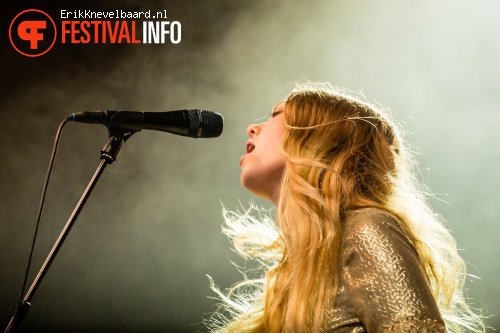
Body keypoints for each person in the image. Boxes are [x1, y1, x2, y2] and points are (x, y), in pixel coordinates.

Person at [207, 82, 485, 332]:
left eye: (277, 116)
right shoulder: (298, 269)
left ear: (320, 137)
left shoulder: (365, 227)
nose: (253, 128)